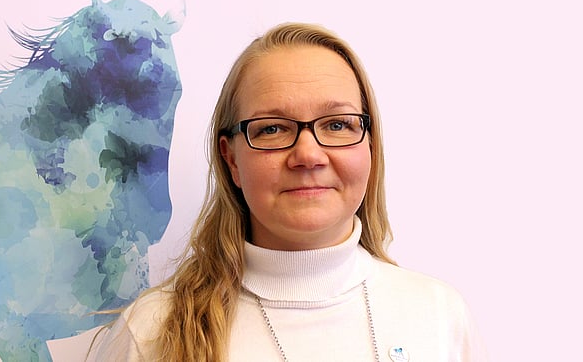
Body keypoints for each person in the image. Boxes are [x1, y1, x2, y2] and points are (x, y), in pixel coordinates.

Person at [87, 23, 488, 361]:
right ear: (231, 159)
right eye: (273, 129)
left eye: (337, 124)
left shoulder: (440, 316)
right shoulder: (151, 332)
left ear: (370, 145)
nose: (308, 155)